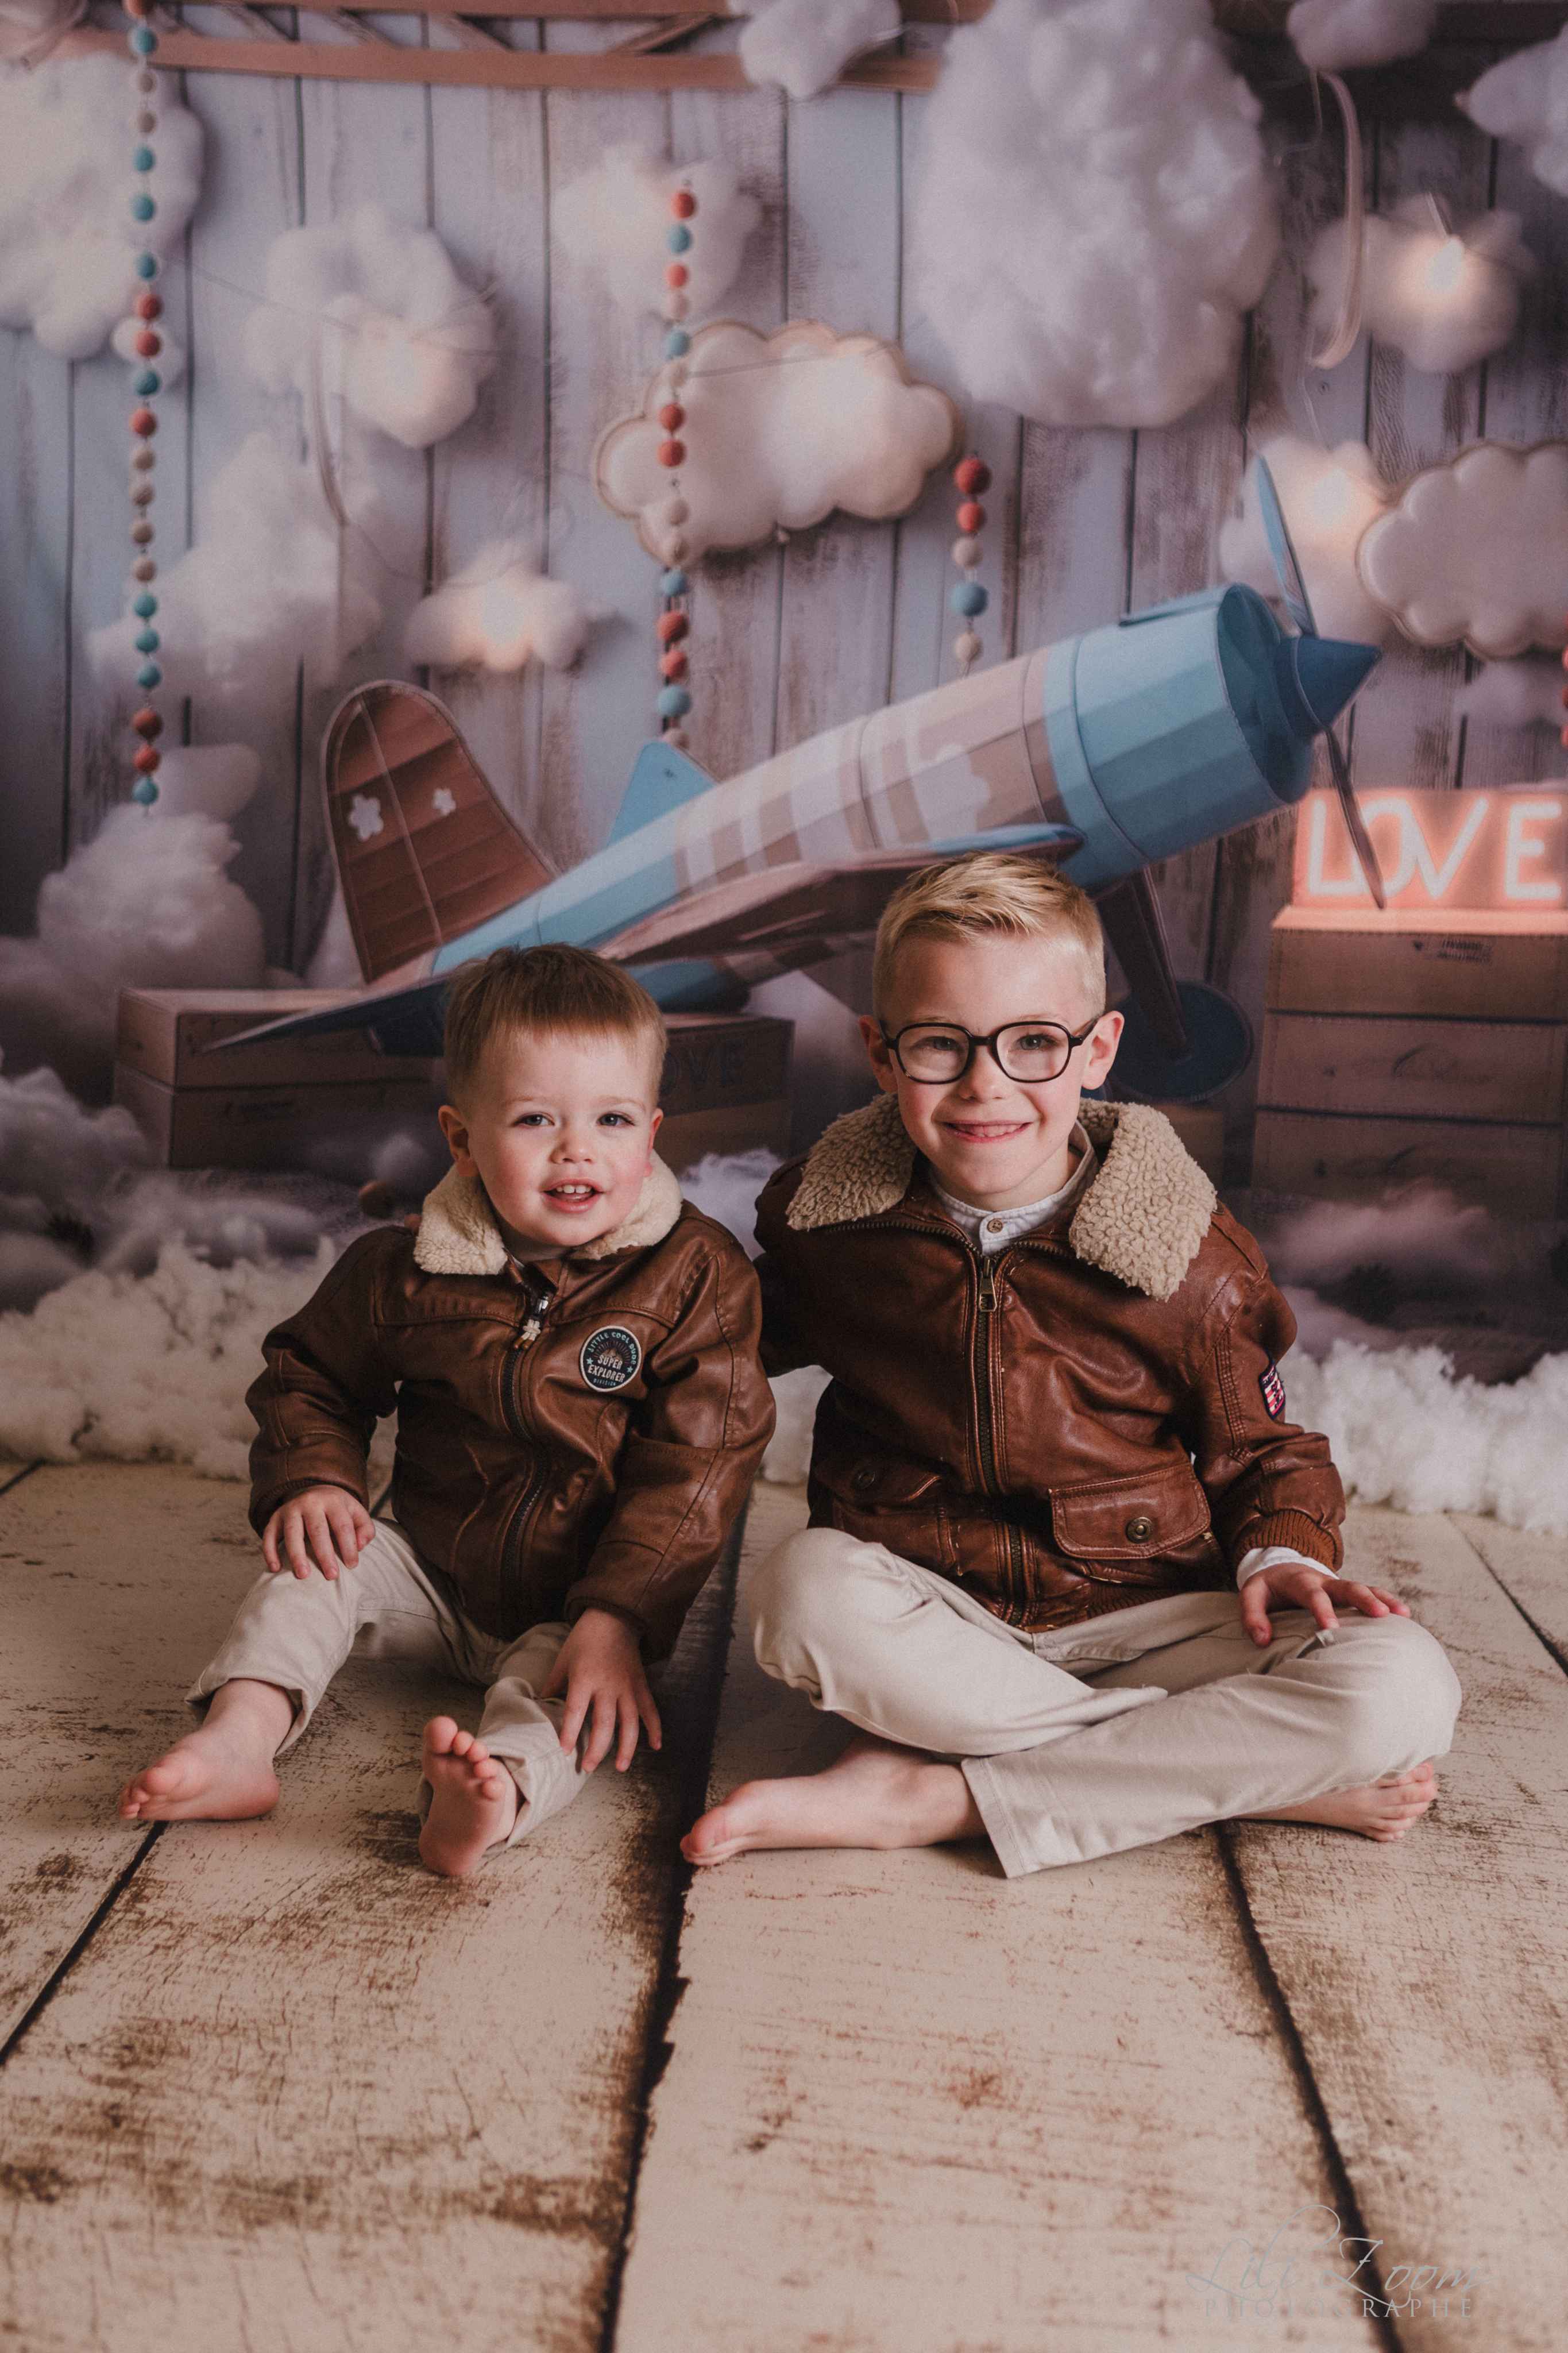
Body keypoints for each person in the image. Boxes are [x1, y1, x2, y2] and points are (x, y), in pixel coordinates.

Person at [682, 853, 1462, 1877]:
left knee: (1403, 1686)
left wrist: (1281, 1555)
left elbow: (1267, 1453)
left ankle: (938, 1795)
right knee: (797, 1592)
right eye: (938, 1046)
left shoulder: (1186, 1256)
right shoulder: (833, 1224)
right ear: (880, 1054)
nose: (984, 1086)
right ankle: (1228, 1769)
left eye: (1033, 1044)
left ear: (1098, 1050)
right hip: (935, 1613)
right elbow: (707, 1348)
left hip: (1147, 1608)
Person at [120, 945, 775, 1876]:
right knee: (311, 1575)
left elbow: (702, 1463)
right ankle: (241, 1737)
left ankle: (493, 1797)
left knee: (569, 1705)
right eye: (534, 1118)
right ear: (462, 1140)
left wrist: (619, 1615)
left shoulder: (693, 1276)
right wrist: (315, 1477)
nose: (576, 1147)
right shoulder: (407, 1268)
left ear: (653, 1131)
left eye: (612, 1119)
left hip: (578, 1599)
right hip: (429, 1570)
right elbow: (308, 1370)